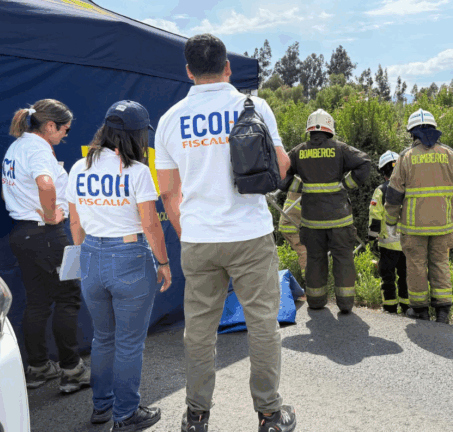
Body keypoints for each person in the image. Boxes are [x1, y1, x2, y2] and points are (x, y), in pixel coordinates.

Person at [154, 34, 296, 432]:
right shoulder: (255, 106)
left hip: (199, 238)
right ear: (227, 67)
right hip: (250, 233)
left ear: (188, 71)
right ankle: (269, 415)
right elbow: (281, 167)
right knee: (263, 324)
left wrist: (188, 232)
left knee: (199, 331)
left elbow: (168, 191)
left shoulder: (169, 119)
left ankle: (196, 415)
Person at [67, 100, 172, 430]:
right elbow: (151, 225)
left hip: (91, 256)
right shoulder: (138, 172)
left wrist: (85, 255)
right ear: (136, 137)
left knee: (103, 339)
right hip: (129, 257)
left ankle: (102, 407)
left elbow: (74, 222)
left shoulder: (78, 167)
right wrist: (164, 262)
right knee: (128, 344)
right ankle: (126, 414)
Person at [2, 99, 91, 393]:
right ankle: (72, 370)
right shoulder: (37, 148)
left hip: (24, 234)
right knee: (67, 297)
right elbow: (45, 183)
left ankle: (38, 367)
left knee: (38, 301)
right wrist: (52, 213)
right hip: (47, 234)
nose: (66, 135)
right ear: (50, 126)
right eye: (64, 129)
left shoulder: (16, 147)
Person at [279, 109, 371, 313]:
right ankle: (346, 304)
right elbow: (364, 163)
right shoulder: (340, 149)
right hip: (339, 219)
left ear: (309, 129)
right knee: (343, 258)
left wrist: (299, 187)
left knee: (314, 258)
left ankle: (316, 301)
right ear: (330, 128)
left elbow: (281, 172)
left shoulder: (298, 151)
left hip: (312, 221)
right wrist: (345, 184)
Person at [384, 109, 453, 324]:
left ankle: (420, 311)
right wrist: (451, 208)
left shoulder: (406, 157)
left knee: (416, 266)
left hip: (414, 228)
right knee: (440, 263)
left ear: (412, 133)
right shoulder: (450, 155)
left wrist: (391, 221)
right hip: (443, 224)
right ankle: (442, 312)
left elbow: (393, 196)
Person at [368, 151, 409, 315]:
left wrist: (371, 238)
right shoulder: (410, 189)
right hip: (408, 243)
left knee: (388, 277)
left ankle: (390, 308)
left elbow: (375, 216)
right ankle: (407, 307)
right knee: (406, 277)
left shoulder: (380, 191)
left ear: (382, 171)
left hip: (388, 245)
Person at [278, 176, 307, 277]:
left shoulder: (300, 184)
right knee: (305, 252)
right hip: (290, 226)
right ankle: (310, 281)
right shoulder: (303, 186)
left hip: (292, 225)